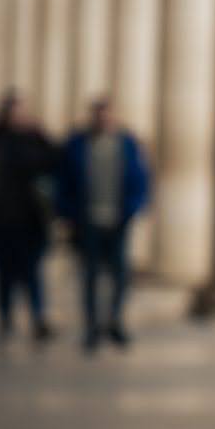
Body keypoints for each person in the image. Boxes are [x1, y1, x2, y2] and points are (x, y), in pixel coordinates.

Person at [54, 97, 151, 352]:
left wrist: (134, 208)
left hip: (118, 220)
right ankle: (92, 327)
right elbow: (63, 181)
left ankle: (114, 321)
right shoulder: (76, 144)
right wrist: (66, 212)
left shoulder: (127, 144)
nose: (103, 119)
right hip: (87, 221)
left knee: (120, 276)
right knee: (90, 275)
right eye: (99, 115)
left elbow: (141, 178)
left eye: (108, 115)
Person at [0, 92, 59, 343]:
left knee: (33, 271)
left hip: (31, 219)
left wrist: (39, 132)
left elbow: (55, 160)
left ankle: (38, 317)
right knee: (6, 273)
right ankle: (7, 317)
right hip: (2, 218)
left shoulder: (35, 139)